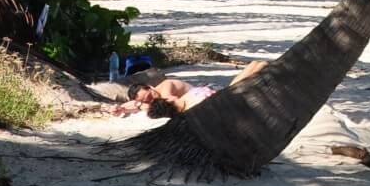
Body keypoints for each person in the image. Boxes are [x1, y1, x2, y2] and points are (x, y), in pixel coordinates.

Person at [112, 61, 267, 117]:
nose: (151, 100)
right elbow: (142, 104)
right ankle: (262, 66)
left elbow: (169, 102)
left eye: (150, 96)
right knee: (253, 67)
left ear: (151, 87)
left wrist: (139, 106)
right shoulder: (153, 97)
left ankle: (267, 67)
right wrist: (123, 108)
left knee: (251, 74)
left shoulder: (165, 87)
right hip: (204, 95)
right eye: (147, 101)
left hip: (206, 96)